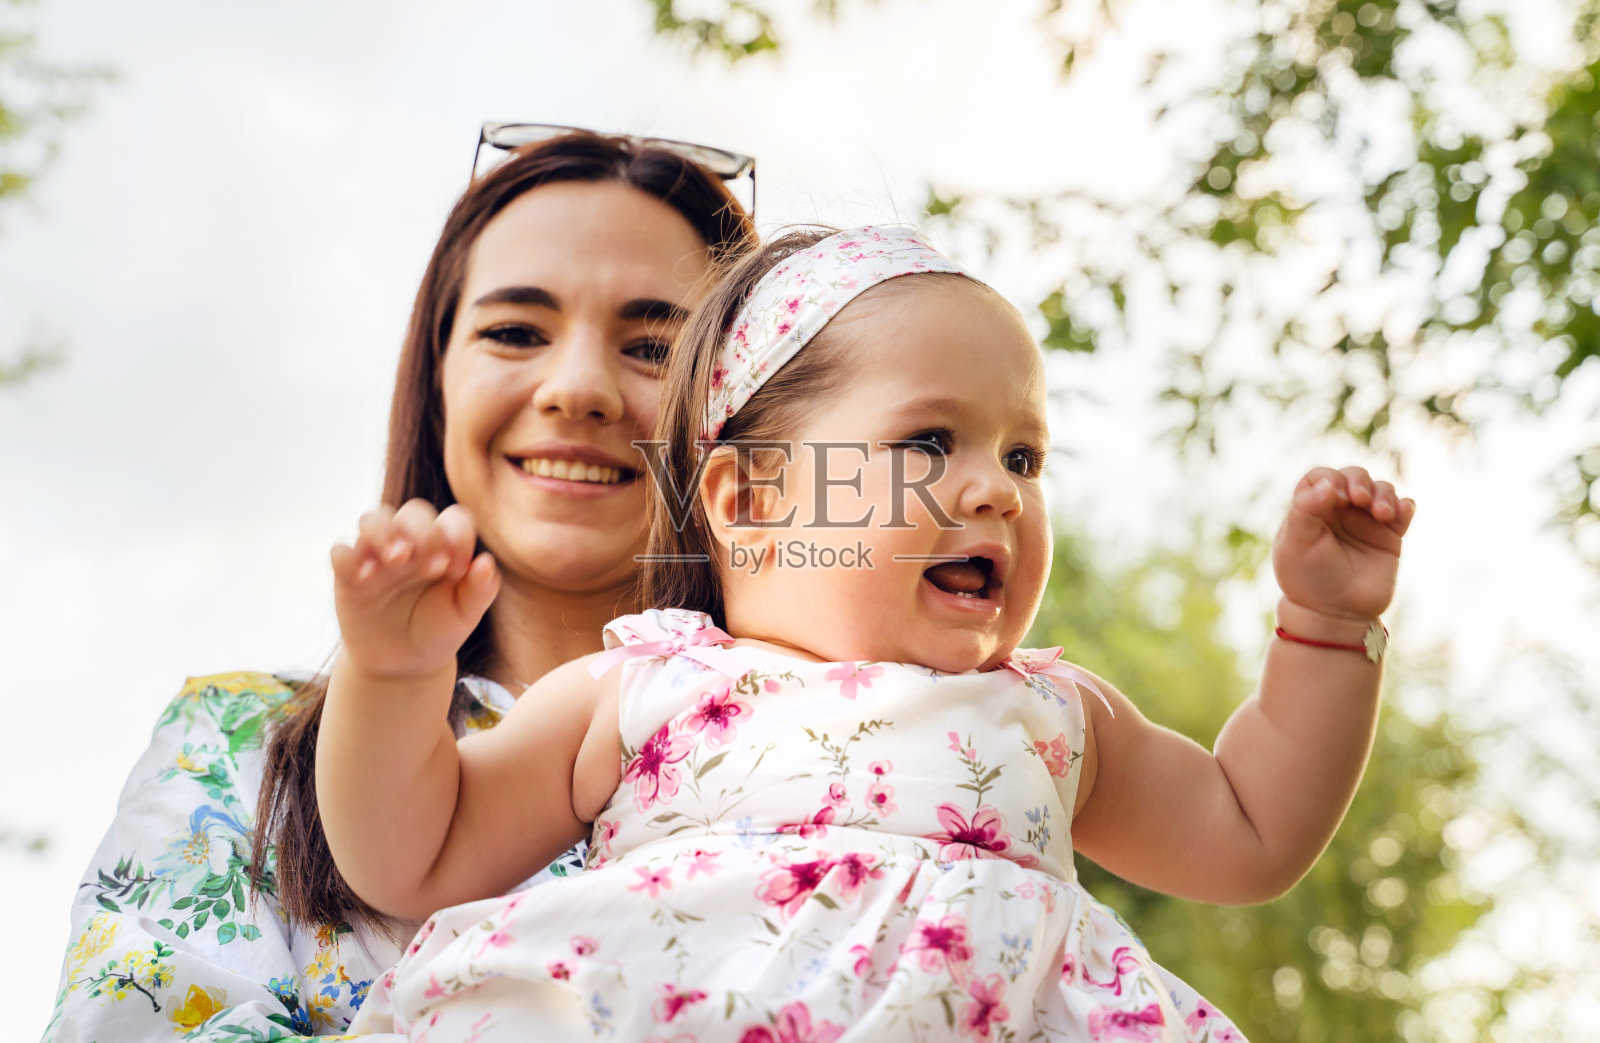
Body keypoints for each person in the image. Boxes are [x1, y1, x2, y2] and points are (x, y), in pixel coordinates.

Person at [318, 225, 1415, 1041]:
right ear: (746, 502)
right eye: (930, 440)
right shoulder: (644, 690)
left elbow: (1251, 830)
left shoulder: (1047, 717)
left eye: (1024, 455)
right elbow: (411, 855)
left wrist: (1326, 623)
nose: (995, 488)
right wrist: (394, 668)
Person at [41, 128, 757, 1042]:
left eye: (656, 346)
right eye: (514, 331)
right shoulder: (237, 751)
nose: (578, 389)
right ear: (438, 379)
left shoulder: (849, 736)